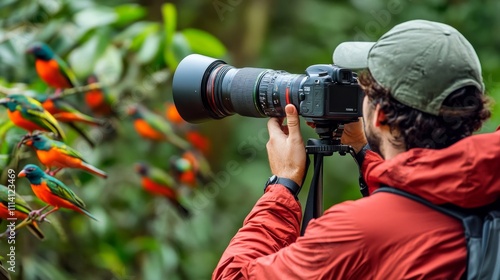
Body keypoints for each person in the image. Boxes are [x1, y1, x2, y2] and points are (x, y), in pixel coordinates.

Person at [212, 19, 500, 279]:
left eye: (367, 90)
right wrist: (365, 152)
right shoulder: (487, 185)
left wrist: (282, 185)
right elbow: (421, 202)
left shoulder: (358, 233)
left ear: (381, 117)